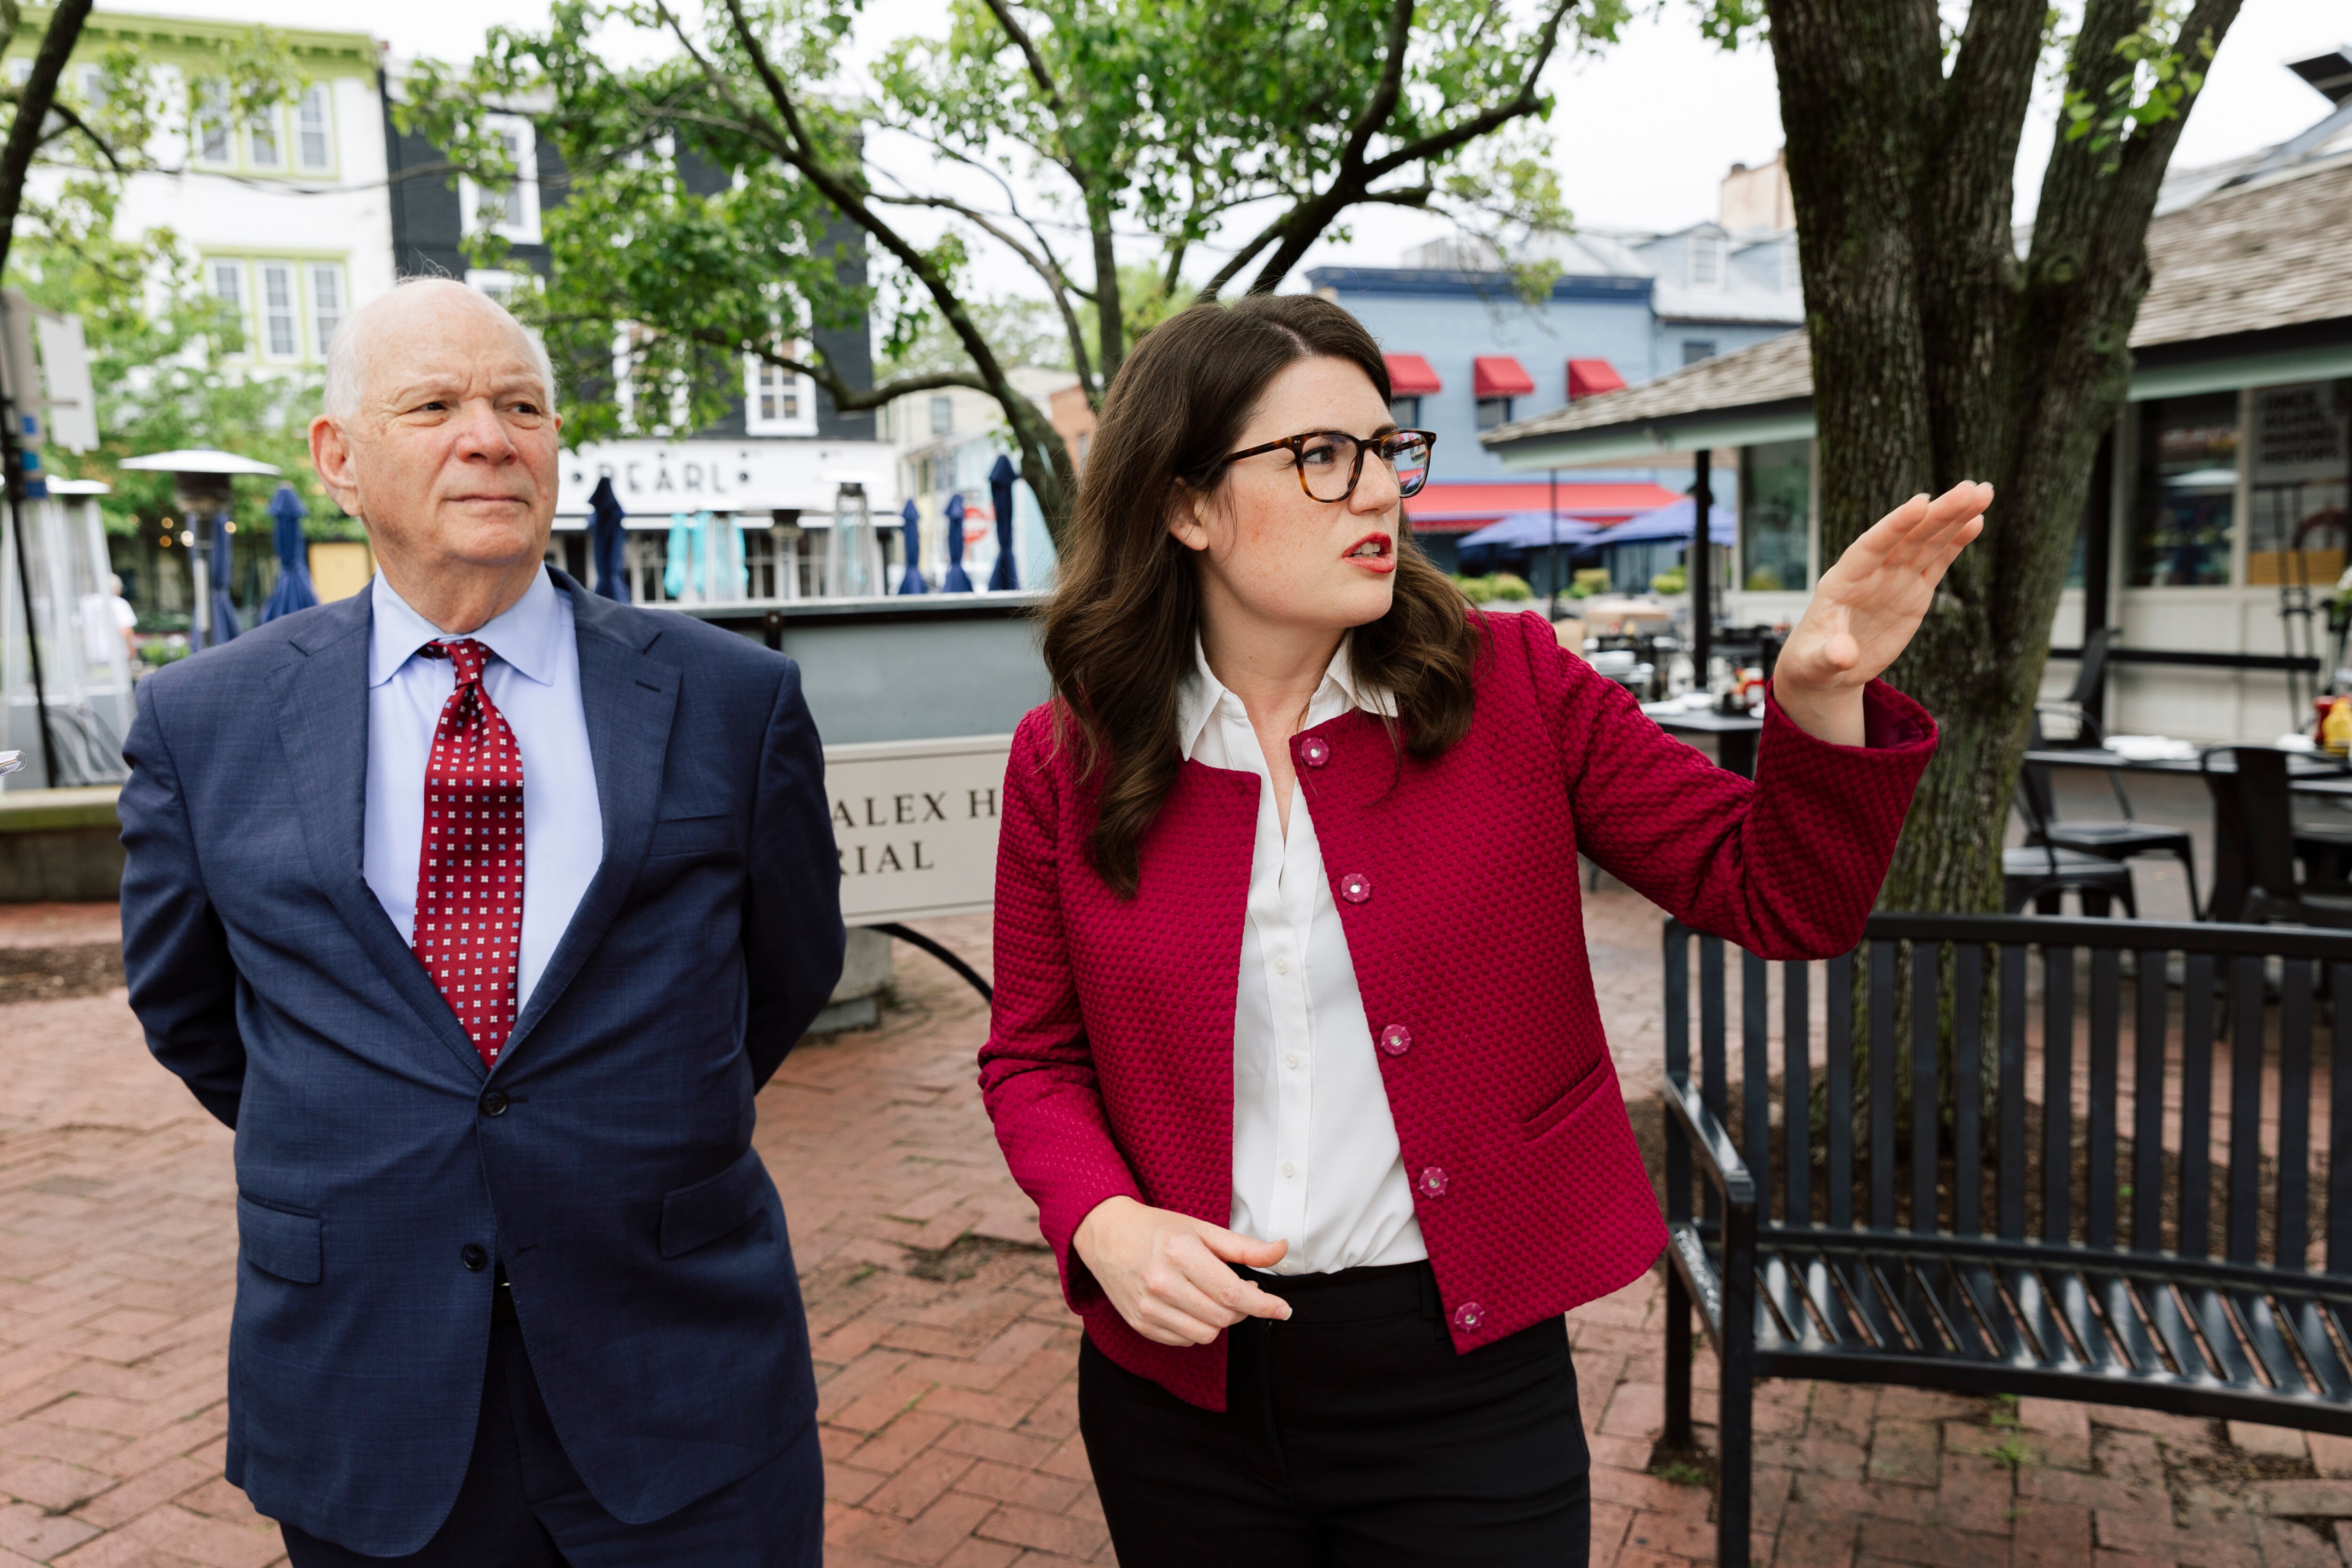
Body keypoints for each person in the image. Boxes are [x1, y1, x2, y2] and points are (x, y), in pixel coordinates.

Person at [978, 294, 1985, 1565]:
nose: (1381, 495)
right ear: (1184, 505)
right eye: (1319, 459)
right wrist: (1102, 1221)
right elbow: (1033, 1056)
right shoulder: (1067, 758)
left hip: (1458, 1374)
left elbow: (1783, 895)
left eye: (1387, 452)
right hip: (1177, 1390)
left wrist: (1817, 699)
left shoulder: (1515, 685)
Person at [117, 279, 844, 1567]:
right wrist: (382, 1125)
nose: (490, 436)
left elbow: (785, 974)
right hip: (369, 1386)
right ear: (338, 459)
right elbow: (193, 1011)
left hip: (681, 1380)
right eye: (436, 404)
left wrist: (631, 1123)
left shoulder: (735, 701)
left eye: (522, 406)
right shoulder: (204, 723)